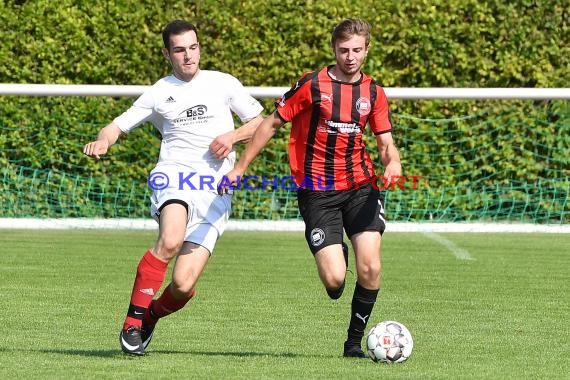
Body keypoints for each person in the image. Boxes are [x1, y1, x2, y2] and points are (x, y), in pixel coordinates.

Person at [220, 18, 402, 358]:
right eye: (344, 50)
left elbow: (385, 142)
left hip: (361, 186)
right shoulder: (312, 85)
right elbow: (270, 125)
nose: (351, 57)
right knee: (335, 281)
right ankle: (337, 256)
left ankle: (353, 343)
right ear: (334, 49)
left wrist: (393, 163)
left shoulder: (374, 92)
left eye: (357, 50)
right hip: (317, 192)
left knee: (371, 266)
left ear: (367, 50)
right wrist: (240, 168)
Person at [83, 20, 263, 355]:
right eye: (179, 50)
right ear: (168, 53)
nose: (188, 56)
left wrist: (232, 136)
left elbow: (260, 124)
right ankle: (132, 322)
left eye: (193, 47)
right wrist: (103, 141)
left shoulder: (223, 84)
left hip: (215, 193)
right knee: (170, 239)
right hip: (174, 179)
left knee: (182, 285)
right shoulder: (157, 93)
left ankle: (150, 316)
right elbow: (116, 126)